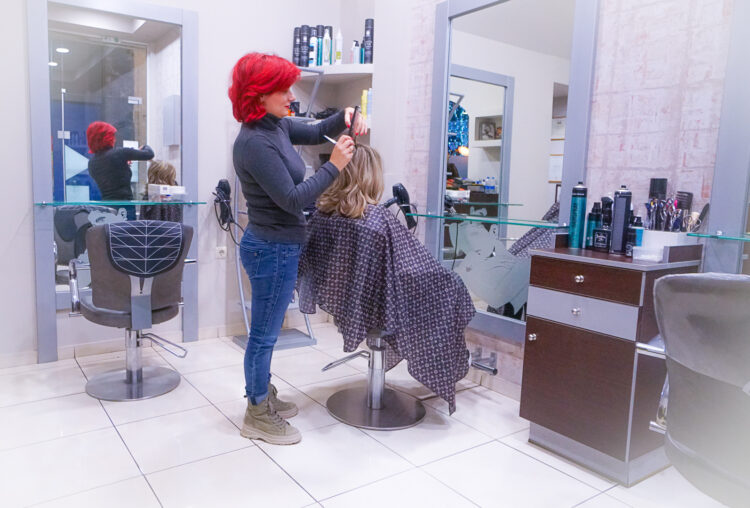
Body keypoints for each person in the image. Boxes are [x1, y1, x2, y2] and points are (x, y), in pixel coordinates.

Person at [229, 52, 366, 445]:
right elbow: (292, 199)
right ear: (258, 95)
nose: (291, 95)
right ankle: (257, 413)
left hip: (278, 246)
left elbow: (317, 129)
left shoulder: (274, 126)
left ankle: (261, 392)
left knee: (267, 332)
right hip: (270, 248)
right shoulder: (254, 142)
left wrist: (346, 114)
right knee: (263, 335)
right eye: (283, 89)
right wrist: (334, 166)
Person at [86, 121, 154, 220]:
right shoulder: (119, 153)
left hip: (106, 209)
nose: (115, 139)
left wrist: (123, 165)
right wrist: (143, 147)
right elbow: (149, 154)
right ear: (108, 137)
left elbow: (111, 177)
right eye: (113, 136)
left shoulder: (92, 162)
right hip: (125, 208)